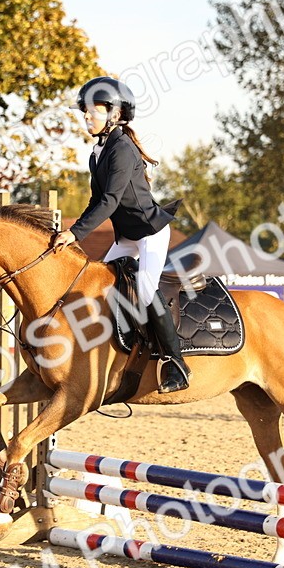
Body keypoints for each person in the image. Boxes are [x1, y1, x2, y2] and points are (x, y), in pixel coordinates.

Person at [50, 76, 190, 393]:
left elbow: (110, 200)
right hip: (125, 236)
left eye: (92, 111)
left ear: (114, 113)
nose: (86, 117)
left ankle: (176, 363)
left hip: (150, 232)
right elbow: (94, 201)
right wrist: (74, 232)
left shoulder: (122, 149)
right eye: (84, 112)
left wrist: (75, 234)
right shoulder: (97, 153)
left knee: (143, 288)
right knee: (97, 279)